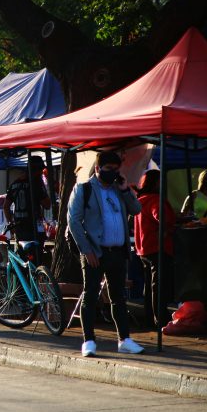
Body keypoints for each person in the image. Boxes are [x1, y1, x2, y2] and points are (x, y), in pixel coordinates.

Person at [68, 151, 144, 357]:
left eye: (116, 169)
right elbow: (73, 221)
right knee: (91, 296)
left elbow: (136, 209)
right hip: (95, 252)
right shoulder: (84, 189)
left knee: (118, 297)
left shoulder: (119, 189)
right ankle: (89, 340)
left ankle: (124, 339)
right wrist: (86, 250)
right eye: (109, 169)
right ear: (98, 168)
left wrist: (126, 189)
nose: (113, 173)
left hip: (118, 251)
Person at [134, 170, 176, 328]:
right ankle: (160, 319)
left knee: (150, 285)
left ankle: (151, 319)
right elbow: (161, 217)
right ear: (155, 183)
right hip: (157, 247)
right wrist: (165, 230)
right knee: (158, 286)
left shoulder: (141, 200)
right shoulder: (155, 200)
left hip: (143, 248)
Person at [4, 155, 51, 242]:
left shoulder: (15, 184)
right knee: (37, 253)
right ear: (35, 170)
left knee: (23, 253)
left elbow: (6, 206)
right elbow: (47, 205)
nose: (41, 173)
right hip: (34, 228)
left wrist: (11, 223)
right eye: (40, 170)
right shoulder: (36, 184)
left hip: (19, 227)